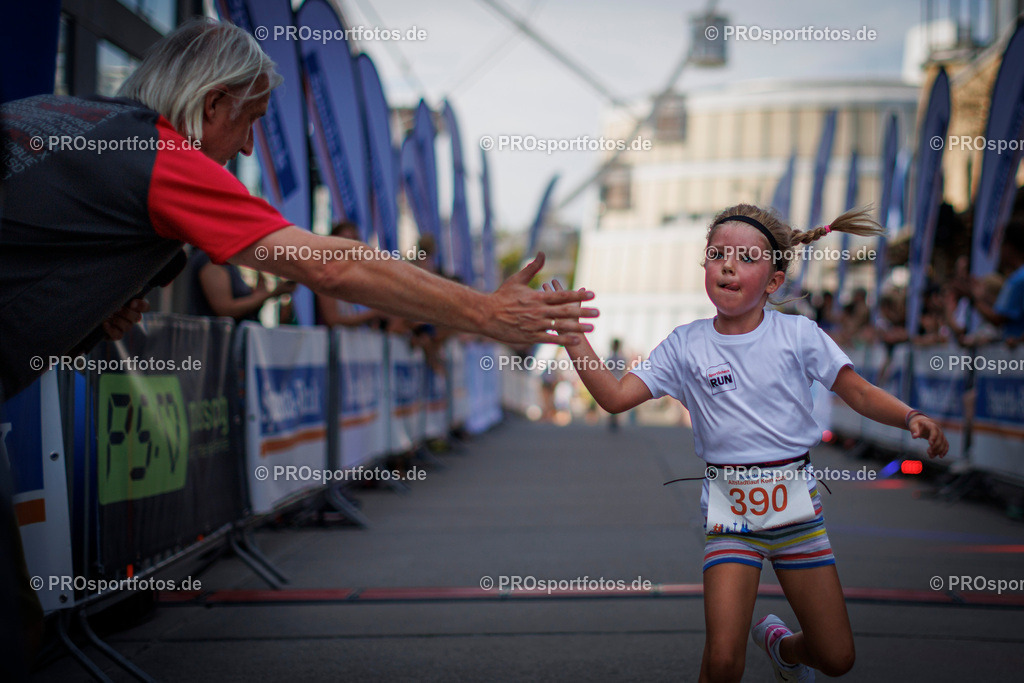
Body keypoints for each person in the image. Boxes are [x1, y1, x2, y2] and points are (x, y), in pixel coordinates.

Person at [0, 18, 596, 400]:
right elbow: (330, 266)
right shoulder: (163, 158)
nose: (248, 148)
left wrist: (83, 311)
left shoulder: (71, 116)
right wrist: (484, 311)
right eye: (250, 121)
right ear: (212, 105)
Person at [545, 203, 948, 682]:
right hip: (730, 518)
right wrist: (573, 338)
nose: (728, 266)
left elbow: (857, 392)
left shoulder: (799, 334)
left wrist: (910, 416)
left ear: (774, 281)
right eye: (717, 254)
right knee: (722, 660)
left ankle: (783, 646)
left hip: (797, 516)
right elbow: (614, 398)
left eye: (745, 258)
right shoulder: (685, 344)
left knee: (837, 657)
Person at [187, 248, 296, 321]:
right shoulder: (211, 260)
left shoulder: (228, 259)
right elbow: (225, 310)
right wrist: (270, 294)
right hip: (217, 341)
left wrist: (260, 293)